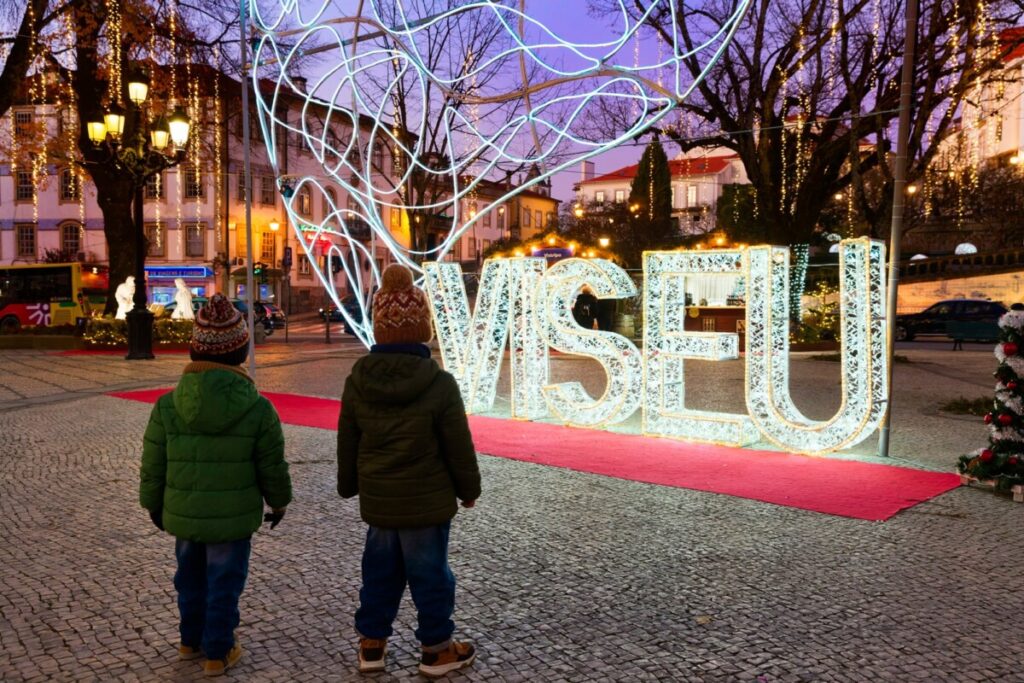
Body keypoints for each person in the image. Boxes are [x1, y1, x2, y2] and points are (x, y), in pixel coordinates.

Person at [337, 264, 480, 678]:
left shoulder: (357, 380)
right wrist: (468, 489)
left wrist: (349, 485)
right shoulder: (439, 383)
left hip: (380, 501)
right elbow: (457, 445)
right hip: (427, 503)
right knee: (431, 576)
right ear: (423, 328)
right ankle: (436, 650)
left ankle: (371, 645)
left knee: (378, 575)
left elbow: (348, 438)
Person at [139, 294, 292, 677]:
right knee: (224, 582)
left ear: (194, 350)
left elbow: (154, 463)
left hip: (185, 513)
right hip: (232, 520)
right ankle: (218, 651)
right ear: (240, 350)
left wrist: (152, 503)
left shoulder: (167, 405)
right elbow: (271, 465)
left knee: (188, 579)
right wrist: (279, 502)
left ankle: (190, 640)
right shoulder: (258, 408)